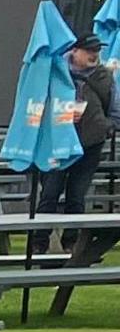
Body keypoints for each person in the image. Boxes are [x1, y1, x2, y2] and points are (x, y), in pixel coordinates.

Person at [46, 35, 114, 216]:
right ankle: (39, 241)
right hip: (58, 141)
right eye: (89, 50)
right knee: (49, 194)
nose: (94, 54)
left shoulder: (104, 75)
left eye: (97, 50)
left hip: (90, 143)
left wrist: (105, 127)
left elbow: (115, 109)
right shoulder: (56, 72)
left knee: (76, 196)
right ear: (74, 51)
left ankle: (71, 242)